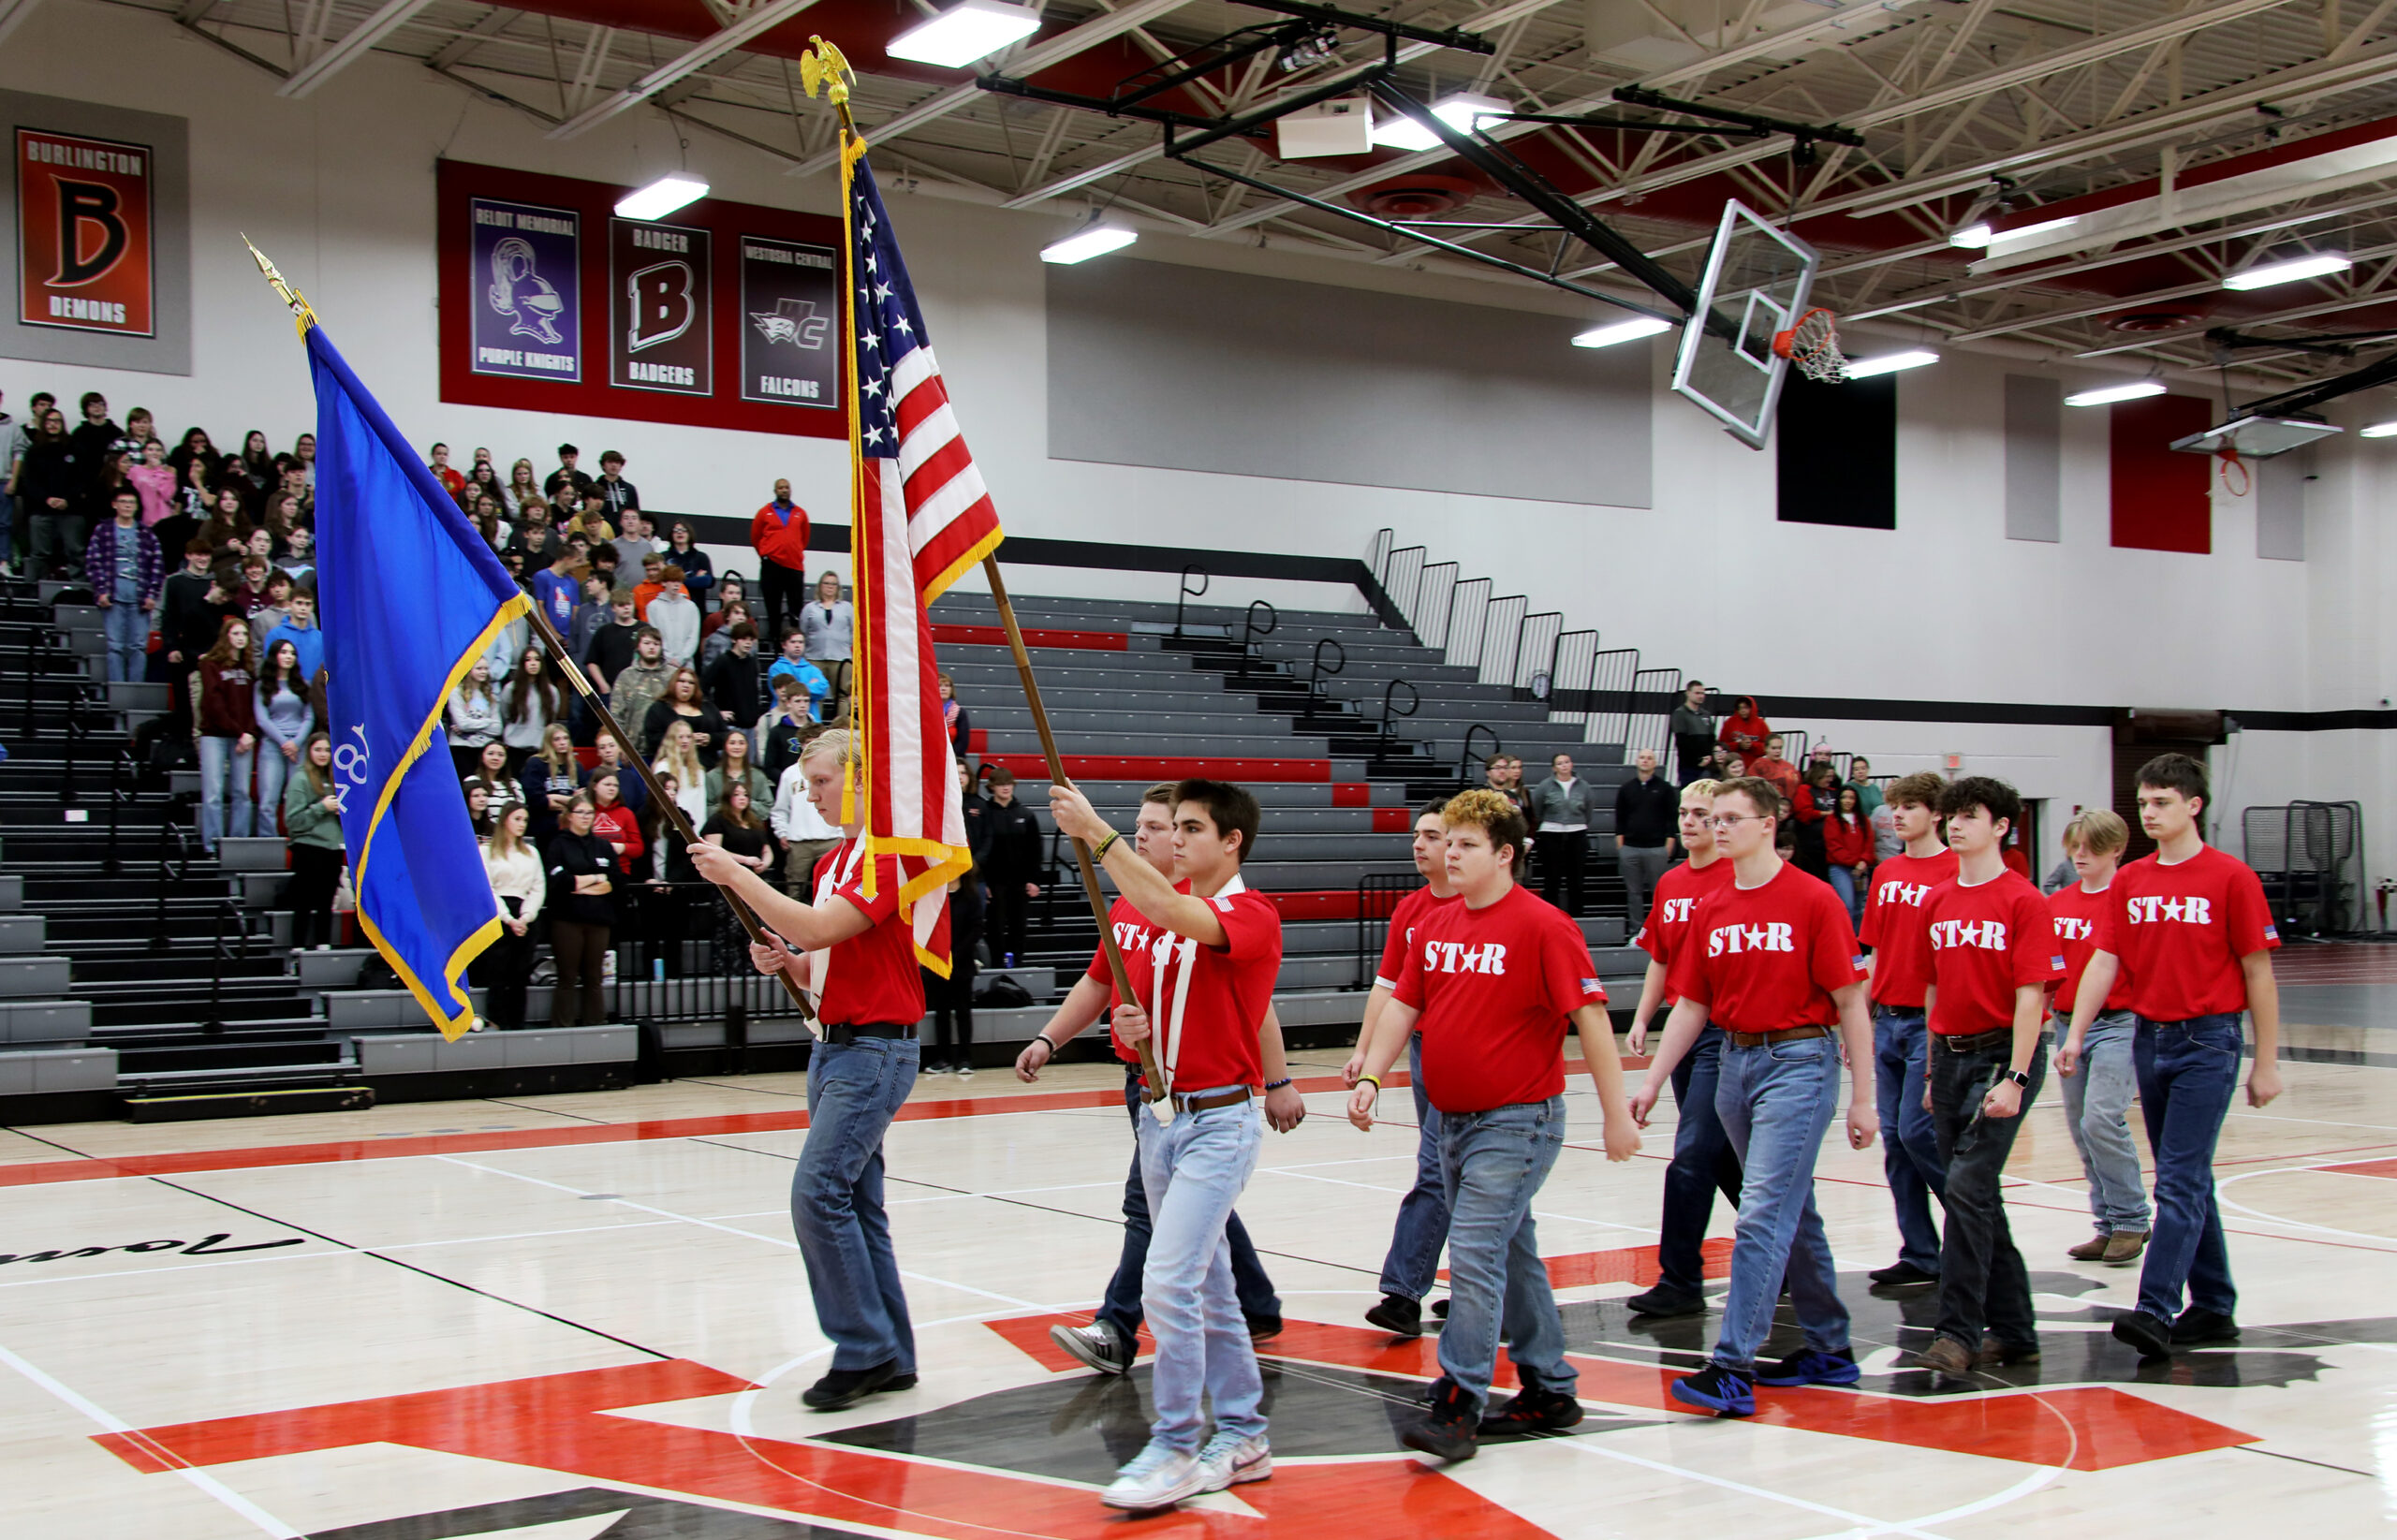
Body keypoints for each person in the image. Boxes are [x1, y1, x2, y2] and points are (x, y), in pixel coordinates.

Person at [1348, 788, 1640, 1459]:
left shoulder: (1542, 926)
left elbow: (1590, 1019)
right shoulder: (1439, 924)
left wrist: (1616, 1113)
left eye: (1466, 843)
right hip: (1450, 1123)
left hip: (1516, 1122)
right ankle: (1550, 1385)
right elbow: (1403, 1006)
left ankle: (1458, 1398)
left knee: (1475, 1250)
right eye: (1447, 841)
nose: (1449, 853)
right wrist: (1370, 1074)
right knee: (1512, 1251)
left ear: (1505, 854)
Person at [1046, 775, 1302, 1512]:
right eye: (1175, 827)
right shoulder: (1163, 925)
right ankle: (1247, 1432)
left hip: (1219, 1123)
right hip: (1159, 1117)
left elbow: (1168, 905)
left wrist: (1098, 833)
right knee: (1213, 1286)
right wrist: (1131, 1031)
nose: (1178, 839)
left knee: (1168, 1279)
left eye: (1192, 828)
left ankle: (1177, 1442)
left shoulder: (1250, 913)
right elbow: (1144, 1009)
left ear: (1232, 842)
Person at [690, 729, 928, 1411]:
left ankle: (863, 1346)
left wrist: (739, 874)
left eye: (822, 781)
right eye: (807, 784)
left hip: (874, 1049)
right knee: (855, 1201)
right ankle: (893, 1351)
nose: (812, 794)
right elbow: (824, 953)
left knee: (816, 1192)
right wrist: (789, 962)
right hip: (834, 1041)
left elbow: (823, 928)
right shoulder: (834, 862)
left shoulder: (887, 855)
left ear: (859, 777)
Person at [1629, 777, 1879, 1417]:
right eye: (1713, 817)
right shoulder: (1711, 905)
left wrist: (1863, 1098)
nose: (1718, 827)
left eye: (1732, 817)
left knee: (1762, 1210)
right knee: (1794, 1211)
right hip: (1735, 1060)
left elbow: (1851, 1000)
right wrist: (1656, 1077)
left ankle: (1732, 1363)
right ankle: (1829, 1347)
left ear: (1768, 823)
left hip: (1798, 1058)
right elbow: (1694, 1001)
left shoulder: (1813, 899)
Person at [2066, 753, 2283, 1361]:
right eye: (2144, 803)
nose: (2150, 812)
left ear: (2194, 805)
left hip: (2208, 1041)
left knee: (2179, 1181)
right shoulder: (2131, 881)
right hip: (2149, 1037)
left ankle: (2155, 1308)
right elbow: (2105, 959)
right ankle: (2213, 1305)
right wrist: (2078, 1032)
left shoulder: (2231, 878)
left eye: (2162, 802)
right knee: (2190, 1178)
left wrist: (2266, 1060)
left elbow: (2258, 972)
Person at [1908, 776, 2061, 1377]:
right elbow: (1932, 988)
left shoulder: (2024, 900)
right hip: (1948, 1056)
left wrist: (2016, 1077)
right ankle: (2018, 1332)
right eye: (1952, 815)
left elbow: (2032, 999)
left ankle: (1958, 1334)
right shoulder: (1938, 900)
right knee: (1974, 1198)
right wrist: (1928, 1068)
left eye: (1969, 815)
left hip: (2003, 1056)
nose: (1956, 825)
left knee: (1967, 1189)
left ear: (2000, 826)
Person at [1622, 778, 1743, 1319]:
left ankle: (1680, 1280)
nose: (1690, 822)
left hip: (1722, 1032)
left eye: (1702, 814)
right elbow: (1662, 958)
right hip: (1683, 1030)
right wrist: (1644, 1016)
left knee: (1692, 1157)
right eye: (1686, 813)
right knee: (1724, 1160)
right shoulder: (1671, 883)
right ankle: (1788, 1257)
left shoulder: (1735, 879)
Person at [1344, 800, 1460, 1338]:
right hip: (1422, 1049)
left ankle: (1404, 1293)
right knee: (1446, 1168)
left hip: (1469, 1055)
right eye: (1417, 834)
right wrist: (1367, 1054)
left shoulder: (1483, 909)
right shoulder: (1411, 911)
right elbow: (1388, 989)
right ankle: (1482, 1289)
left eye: (1432, 836)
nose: (1420, 844)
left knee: (1441, 1170)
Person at [1857, 770, 1959, 1290]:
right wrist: (1863, 1021)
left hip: (1928, 1022)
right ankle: (1920, 1250)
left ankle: (1969, 1227)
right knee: (1896, 1141)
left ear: (1936, 813)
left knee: (1920, 1133)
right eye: (1895, 807)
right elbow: (1873, 952)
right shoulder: (1887, 872)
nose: (1897, 815)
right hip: (1889, 1019)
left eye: (1910, 807)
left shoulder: (1953, 870)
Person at [2048, 809, 2150, 1266]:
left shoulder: (2128, 900)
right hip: (2067, 1024)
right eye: (2075, 845)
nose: (2080, 854)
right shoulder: (2057, 903)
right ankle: (2106, 1224)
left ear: (2116, 849)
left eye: (2091, 845)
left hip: (2119, 1022)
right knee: (2081, 1130)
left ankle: (2131, 1217)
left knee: (2101, 1119)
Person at [544, 794, 617, 1030]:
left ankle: (595, 1024)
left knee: (594, 976)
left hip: (598, 919)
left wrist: (580, 884)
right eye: (580, 813)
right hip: (567, 919)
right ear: (570, 816)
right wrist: (596, 879)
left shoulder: (603, 846)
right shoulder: (558, 844)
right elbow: (559, 882)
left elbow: (616, 880)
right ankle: (562, 1026)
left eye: (589, 813)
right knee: (567, 976)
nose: (585, 818)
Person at [699, 783, 778, 973]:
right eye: (737, 794)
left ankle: (750, 968)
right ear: (728, 798)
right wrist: (745, 860)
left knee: (752, 927)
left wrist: (764, 863)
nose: (743, 797)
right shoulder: (717, 821)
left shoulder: (754, 821)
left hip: (753, 880)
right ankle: (725, 970)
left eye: (745, 794)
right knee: (729, 928)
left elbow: (767, 849)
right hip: (728, 881)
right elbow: (714, 849)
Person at [196, 616, 258, 853]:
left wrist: (250, 732)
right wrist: (239, 731)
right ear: (226, 637)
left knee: (242, 792)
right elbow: (214, 703)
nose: (241, 638)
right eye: (236, 634)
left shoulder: (249, 667)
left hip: (243, 737)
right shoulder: (210, 664)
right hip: (215, 734)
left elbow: (255, 704)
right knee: (213, 792)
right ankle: (212, 844)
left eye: (244, 634)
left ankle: (237, 843)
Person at [86, 488, 162, 682]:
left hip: (140, 598)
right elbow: (94, 562)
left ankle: (135, 691)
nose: (127, 505)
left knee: (138, 646)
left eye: (131, 502)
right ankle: (117, 690)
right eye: (123, 501)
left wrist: (152, 594)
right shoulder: (103, 530)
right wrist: (101, 591)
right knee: (115, 646)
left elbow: (157, 565)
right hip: (113, 597)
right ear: (114, 504)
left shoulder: (146, 533)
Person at [478, 803, 542, 1029]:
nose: (522, 824)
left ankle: (517, 1022)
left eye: (525, 820)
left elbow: (538, 887)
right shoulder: (486, 851)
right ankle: (497, 1019)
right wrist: (508, 917)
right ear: (505, 820)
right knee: (498, 971)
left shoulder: (531, 853)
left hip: (525, 914)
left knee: (520, 973)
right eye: (517, 819)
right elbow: (486, 887)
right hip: (498, 914)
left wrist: (526, 916)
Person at [283, 732, 346, 949]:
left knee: (326, 903)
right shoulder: (300, 779)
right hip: (308, 849)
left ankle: (323, 946)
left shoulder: (336, 779)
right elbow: (293, 821)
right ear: (309, 751)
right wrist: (321, 808)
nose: (323, 754)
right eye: (318, 749)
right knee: (303, 903)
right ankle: (297, 948)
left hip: (333, 849)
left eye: (327, 750)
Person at [979, 767, 1043, 966]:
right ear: (992, 787)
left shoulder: (1026, 814)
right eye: (1000, 784)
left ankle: (1018, 965)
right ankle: (997, 965)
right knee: (995, 927)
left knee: (1018, 927)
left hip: (1019, 883)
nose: (1005, 788)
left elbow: (1036, 850)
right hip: (994, 882)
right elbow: (980, 848)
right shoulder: (984, 813)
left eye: (1008, 783)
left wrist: (1034, 880)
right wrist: (982, 882)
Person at [253, 638, 314, 837]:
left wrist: (295, 742)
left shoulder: (303, 684)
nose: (289, 657)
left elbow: (309, 716)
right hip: (272, 745)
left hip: (299, 746)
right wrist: (284, 742)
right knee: (268, 798)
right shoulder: (262, 685)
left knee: (297, 797)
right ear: (274, 656)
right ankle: (268, 841)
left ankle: (297, 839)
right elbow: (262, 719)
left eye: (292, 654)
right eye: (284, 652)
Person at [771, 733, 843, 898]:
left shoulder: (835, 771)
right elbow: (780, 808)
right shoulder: (790, 773)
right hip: (799, 841)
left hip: (830, 838)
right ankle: (790, 923)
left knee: (833, 887)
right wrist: (782, 832)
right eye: (808, 743)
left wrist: (841, 832)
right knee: (794, 888)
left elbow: (844, 804)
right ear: (801, 745)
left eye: (816, 743)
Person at [1527, 752, 1598, 917]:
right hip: (1551, 834)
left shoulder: (1584, 786)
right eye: (1560, 763)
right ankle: (1551, 916)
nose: (1564, 765)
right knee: (1552, 878)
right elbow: (1537, 810)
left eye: (1567, 762)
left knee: (1576, 879)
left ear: (1571, 765)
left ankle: (1577, 916)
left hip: (1577, 833)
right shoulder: (1545, 786)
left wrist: (1577, 823)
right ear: (1554, 768)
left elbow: (1588, 810)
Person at [1613, 747, 1677, 931]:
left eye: (1649, 758)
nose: (1645, 761)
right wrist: (1621, 847)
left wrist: (1668, 845)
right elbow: (1620, 819)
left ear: (1655, 763)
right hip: (1630, 848)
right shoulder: (1626, 789)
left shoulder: (1665, 788)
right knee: (1633, 893)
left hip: (1656, 848)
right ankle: (1636, 931)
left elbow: (1671, 819)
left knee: (1659, 893)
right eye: (1642, 757)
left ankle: (1661, 930)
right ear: (1637, 761)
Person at [751, 477, 812, 640]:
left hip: (794, 566)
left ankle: (794, 641)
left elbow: (804, 538)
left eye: (786, 487)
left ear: (790, 491)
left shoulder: (800, 513)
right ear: (775, 491)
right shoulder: (764, 512)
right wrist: (766, 553)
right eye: (780, 488)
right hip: (772, 565)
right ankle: (776, 644)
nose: (784, 490)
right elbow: (755, 537)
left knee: (796, 607)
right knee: (773, 607)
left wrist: (793, 550)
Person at [500, 646, 563, 768]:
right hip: (514, 749)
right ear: (522, 664)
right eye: (528, 660)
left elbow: (552, 718)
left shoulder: (552, 691)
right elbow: (505, 714)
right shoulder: (510, 689)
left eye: (537, 659)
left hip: (540, 751)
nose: (533, 663)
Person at [641, 665, 716, 766]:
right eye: (681, 681)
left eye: (691, 683)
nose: (686, 685)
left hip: (706, 765)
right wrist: (683, 739)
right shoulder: (659, 708)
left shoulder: (707, 707)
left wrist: (709, 738)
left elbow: (724, 735)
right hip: (672, 766)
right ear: (673, 684)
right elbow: (652, 739)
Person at [521, 723, 581, 843]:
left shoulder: (577, 766)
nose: (563, 742)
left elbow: (583, 799)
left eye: (565, 738)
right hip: (542, 826)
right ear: (548, 742)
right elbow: (536, 799)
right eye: (557, 739)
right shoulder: (536, 763)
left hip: (570, 826)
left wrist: (554, 797)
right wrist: (570, 801)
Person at [1823, 785, 1874, 925]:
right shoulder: (1832, 819)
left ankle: (1856, 941)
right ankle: (1844, 941)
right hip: (1840, 868)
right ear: (1838, 799)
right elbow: (1834, 846)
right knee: (1847, 905)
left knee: (1859, 908)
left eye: (1851, 798)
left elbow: (1869, 842)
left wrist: (1864, 861)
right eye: (1844, 797)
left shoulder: (1864, 819)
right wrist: (1855, 862)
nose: (1848, 801)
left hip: (1861, 870)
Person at [609, 625, 673, 734]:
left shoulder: (673, 675)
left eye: (656, 644)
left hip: (668, 744)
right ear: (638, 646)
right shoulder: (626, 676)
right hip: (633, 744)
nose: (652, 647)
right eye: (647, 643)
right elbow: (616, 714)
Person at [446, 658, 503, 780]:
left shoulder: (490, 695)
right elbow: (462, 724)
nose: (483, 672)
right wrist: (487, 722)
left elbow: (497, 728)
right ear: (469, 670)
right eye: (479, 668)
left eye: (486, 669)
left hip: (483, 749)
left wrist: (469, 726)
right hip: (462, 748)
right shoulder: (456, 693)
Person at [705, 622, 769, 729]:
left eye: (751, 639)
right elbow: (703, 687)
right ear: (733, 640)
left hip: (751, 724)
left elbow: (755, 692)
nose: (748, 643)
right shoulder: (723, 661)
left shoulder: (752, 662)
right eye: (744, 639)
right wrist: (717, 712)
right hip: (730, 725)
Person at [767, 627, 831, 721]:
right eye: (793, 642)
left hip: (811, 721)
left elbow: (822, 689)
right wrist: (809, 686)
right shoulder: (776, 669)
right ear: (784, 645)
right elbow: (784, 693)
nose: (797, 646)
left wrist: (796, 687)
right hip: (784, 720)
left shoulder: (812, 669)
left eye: (801, 642)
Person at [1790, 759, 1838, 880]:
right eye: (1827, 776)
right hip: (1810, 844)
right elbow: (1803, 813)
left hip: (1828, 846)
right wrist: (1826, 813)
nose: (1830, 780)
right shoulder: (1804, 789)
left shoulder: (1833, 792)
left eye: (1832, 776)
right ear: (1818, 775)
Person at [705, 727, 772, 812]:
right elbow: (706, 807)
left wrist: (746, 805)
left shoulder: (758, 776)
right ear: (725, 747)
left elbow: (767, 806)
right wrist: (728, 807)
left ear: (747, 746)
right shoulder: (712, 777)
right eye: (732, 743)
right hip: (721, 823)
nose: (737, 747)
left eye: (741, 743)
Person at [463, 740, 526, 828]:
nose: (495, 758)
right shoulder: (472, 780)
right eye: (490, 753)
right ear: (482, 757)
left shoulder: (514, 784)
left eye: (501, 755)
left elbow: (521, 814)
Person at [648, 565, 701, 668]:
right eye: (672, 581)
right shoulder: (653, 606)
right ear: (664, 582)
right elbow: (654, 635)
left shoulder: (691, 607)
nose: (676, 585)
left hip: (686, 664)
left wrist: (681, 658)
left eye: (679, 581)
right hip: (661, 663)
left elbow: (693, 637)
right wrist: (667, 658)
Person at [1670, 681, 1715, 785]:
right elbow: (1682, 742)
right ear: (1688, 693)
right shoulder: (1680, 714)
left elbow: (1711, 738)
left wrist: (1709, 756)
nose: (1701, 696)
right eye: (1697, 693)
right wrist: (1698, 760)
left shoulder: (1706, 714)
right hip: (1688, 766)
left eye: (1703, 693)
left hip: (1707, 765)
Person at [661, 520, 713, 606]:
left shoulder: (701, 557)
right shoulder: (664, 557)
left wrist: (674, 581)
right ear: (672, 535)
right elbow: (661, 582)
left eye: (684, 530)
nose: (680, 533)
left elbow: (708, 581)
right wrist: (695, 579)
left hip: (695, 605)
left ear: (689, 534)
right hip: (669, 605)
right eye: (676, 531)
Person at [1748, 733, 1801, 809]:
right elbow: (1752, 787)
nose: (1778, 751)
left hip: (1787, 808)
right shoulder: (1758, 764)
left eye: (1780, 748)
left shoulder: (1790, 767)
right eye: (1774, 748)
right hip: (1766, 806)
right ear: (1765, 748)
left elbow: (1797, 786)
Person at [1716, 695, 1770, 765]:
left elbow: (1768, 747)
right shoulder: (1729, 722)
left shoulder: (1761, 724)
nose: (1742, 711)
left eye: (1746, 708)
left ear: (1752, 708)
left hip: (1754, 765)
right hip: (1733, 765)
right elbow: (1721, 746)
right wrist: (1738, 745)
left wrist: (1752, 745)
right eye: (1740, 708)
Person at [543, 443, 595, 507]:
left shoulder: (585, 478)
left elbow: (591, 499)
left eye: (572, 457)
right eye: (566, 457)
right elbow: (547, 500)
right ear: (561, 458)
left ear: (576, 457)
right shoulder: (553, 479)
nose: (569, 460)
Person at [593, 449, 639, 521]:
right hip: (601, 529)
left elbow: (635, 512)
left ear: (621, 466)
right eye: (610, 462)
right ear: (603, 465)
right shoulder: (594, 488)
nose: (614, 465)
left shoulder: (629, 489)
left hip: (624, 530)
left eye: (617, 462)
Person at [937, 672, 968, 755]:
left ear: (951, 689)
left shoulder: (960, 712)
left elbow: (963, 742)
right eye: (939, 685)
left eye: (947, 686)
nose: (943, 689)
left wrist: (949, 757)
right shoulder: (928, 712)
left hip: (954, 757)